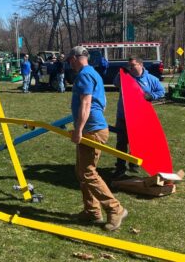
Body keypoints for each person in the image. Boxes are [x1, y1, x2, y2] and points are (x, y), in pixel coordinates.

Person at [67, 46, 127, 231]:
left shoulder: (85, 75)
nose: (70, 63)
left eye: (70, 60)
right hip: (93, 127)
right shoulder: (93, 73)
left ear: (77, 58)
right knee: (82, 171)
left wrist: (78, 129)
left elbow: (86, 103)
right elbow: (102, 102)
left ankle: (115, 208)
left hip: (91, 129)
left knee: (88, 172)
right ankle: (92, 211)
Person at [113, 56, 165, 177]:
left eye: (133, 65)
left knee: (137, 142)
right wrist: (119, 74)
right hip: (123, 116)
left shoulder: (151, 79)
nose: (130, 68)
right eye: (129, 66)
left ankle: (133, 163)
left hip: (140, 117)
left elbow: (161, 91)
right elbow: (116, 84)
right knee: (121, 142)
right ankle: (120, 167)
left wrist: (151, 96)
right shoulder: (125, 77)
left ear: (141, 65)